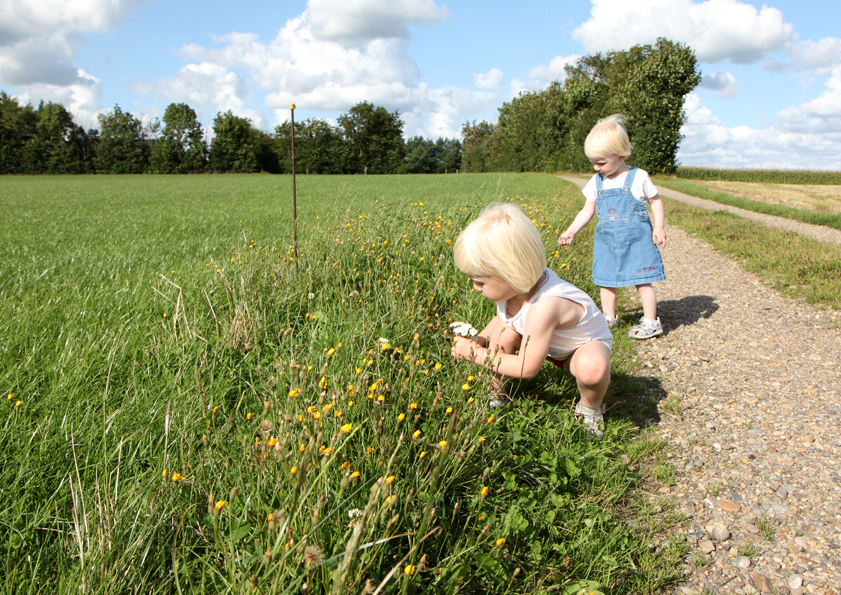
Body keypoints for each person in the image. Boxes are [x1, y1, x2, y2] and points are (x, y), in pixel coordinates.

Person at [450, 203, 613, 435]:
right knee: (501, 336)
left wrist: (474, 353)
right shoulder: (512, 290)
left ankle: (590, 407)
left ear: (510, 274)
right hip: (542, 342)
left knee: (591, 370)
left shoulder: (545, 305)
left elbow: (527, 369)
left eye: (480, 281)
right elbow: (502, 320)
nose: (475, 287)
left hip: (578, 347)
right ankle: (497, 396)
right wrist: (481, 338)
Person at [558, 114, 667, 339]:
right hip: (608, 242)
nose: (596, 167)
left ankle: (650, 320)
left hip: (637, 241)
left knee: (642, 280)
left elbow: (655, 201)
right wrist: (571, 230)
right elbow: (587, 210)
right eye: (593, 162)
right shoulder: (596, 181)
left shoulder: (638, 177)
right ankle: (608, 317)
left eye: (601, 162)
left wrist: (659, 227)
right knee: (606, 281)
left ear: (621, 155)